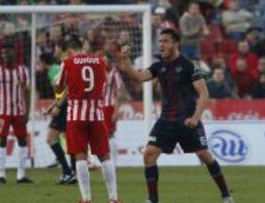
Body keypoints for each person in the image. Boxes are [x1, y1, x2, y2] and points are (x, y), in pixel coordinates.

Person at [119, 29, 234, 203]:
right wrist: (125, 60)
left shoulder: (188, 66)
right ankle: (153, 200)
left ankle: (226, 196)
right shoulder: (159, 66)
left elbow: (204, 93)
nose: (161, 45)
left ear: (175, 43)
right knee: (149, 154)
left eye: (165, 41)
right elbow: (139, 77)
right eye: (160, 41)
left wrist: (195, 118)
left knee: (205, 156)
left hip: (187, 119)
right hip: (166, 119)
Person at [55, 36, 121, 203]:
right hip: (96, 115)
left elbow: (60, 86)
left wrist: (61, 90)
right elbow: (103, 84)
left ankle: (86, 199)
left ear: (70, 51)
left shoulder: (68, 63)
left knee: (80, 155)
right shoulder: (99, 62)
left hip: (76, 116)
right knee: (104, 155)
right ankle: (113, 198)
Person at [0, 45, 33, 184]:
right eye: (3, 54)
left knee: (22, 140)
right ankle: (1, 175)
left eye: (8, 53)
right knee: (2, 140)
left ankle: (21, 175)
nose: (5, 56)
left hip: (19, 111)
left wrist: (27, 111)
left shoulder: (22, 71)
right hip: (3, 111)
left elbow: (27, 91)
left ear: (14, 54)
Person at [44, 62, 76, 184]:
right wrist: (53, 105)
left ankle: (68, 172)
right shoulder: (64, 66)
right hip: (67, 105)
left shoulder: (59, 68)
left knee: (51, 138)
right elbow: (62, 92)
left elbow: (66, 89)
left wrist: (58, 105)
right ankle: (72, 172)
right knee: (70, 140)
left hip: (64, 106)